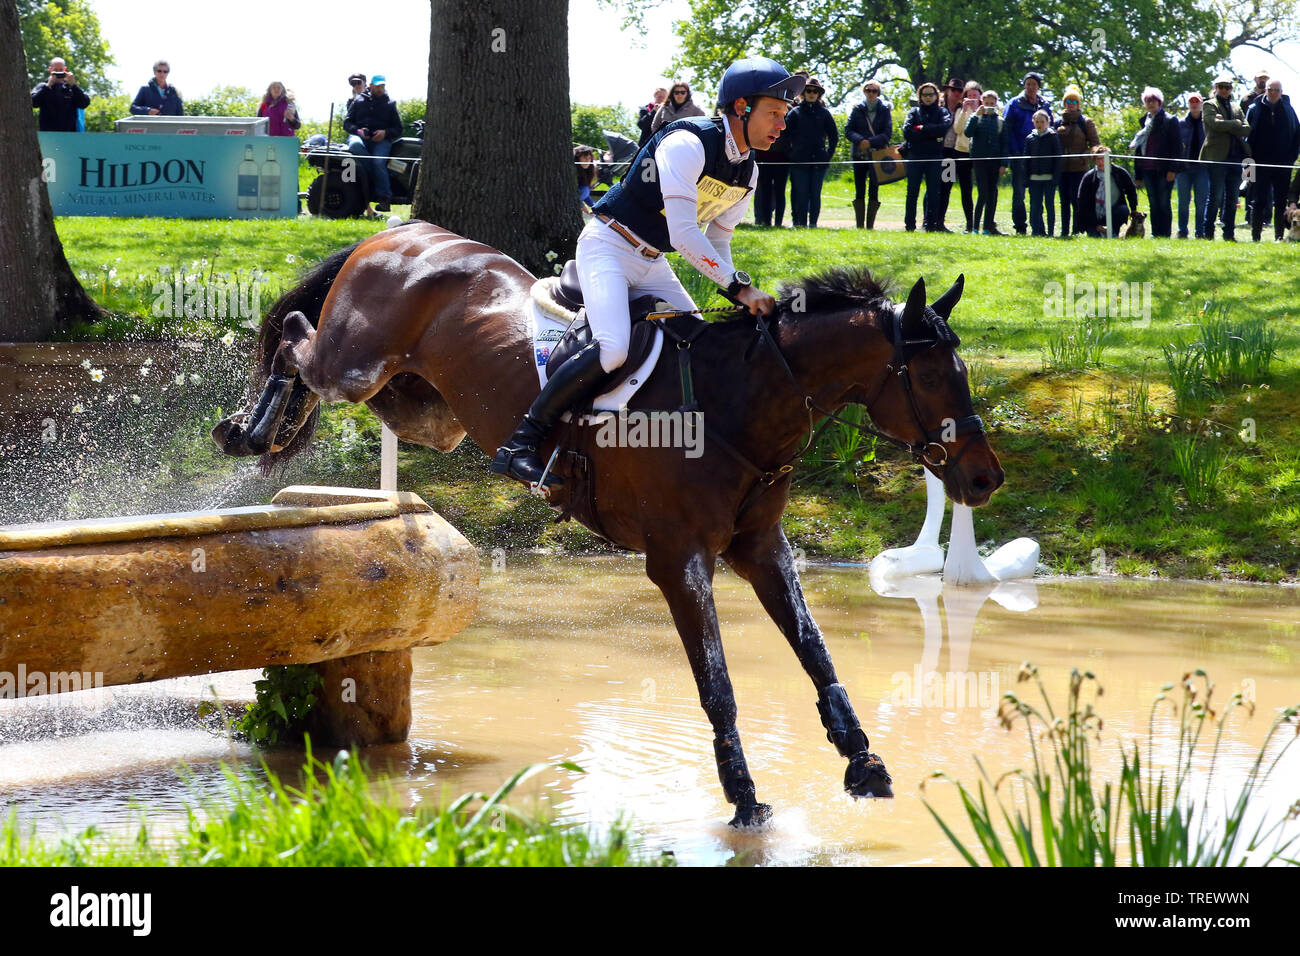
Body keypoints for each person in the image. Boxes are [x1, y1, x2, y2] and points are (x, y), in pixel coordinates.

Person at [491, 57, 803, 489]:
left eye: (785, 116)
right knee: (614, 348)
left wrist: (740, 285)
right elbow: (684, 232)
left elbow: (717, 242)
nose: (782, 125)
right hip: (607, 247)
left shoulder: (747, 169)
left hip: (652, 259)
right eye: (775, 113)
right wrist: (739, 289)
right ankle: (520, 445)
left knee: (702, 344)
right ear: (741, 107)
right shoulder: (687, 144)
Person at [1245, 79, 1300, 241]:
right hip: (1259, 163)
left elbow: (1297, 135)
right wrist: (1248, 164)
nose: (1273, 92)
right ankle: (1255, 237)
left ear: (1281, 92)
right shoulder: (1254, 109)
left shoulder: (1289, 110)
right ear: (1265, 90)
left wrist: (1291, 158)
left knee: (1280, 201)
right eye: (1270, 89)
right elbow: (1246, 136)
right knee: (1258, 200)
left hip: (1283, 164)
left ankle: (1279, 236)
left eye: (1277, 89)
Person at [1202, 75, 1251, 241]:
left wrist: (1227, 124)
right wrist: (1235, 124)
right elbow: (1214, 125)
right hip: (1216, 157)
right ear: (1215, 87)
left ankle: (1229, 234)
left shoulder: (1236, 106)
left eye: (1227, 87)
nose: (1224, 90)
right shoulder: (1209, 104)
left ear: (1231, 89)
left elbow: (1246, 129)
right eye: (1221, 86)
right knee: (1215, 196)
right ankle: (1207, 233)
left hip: (1235, 158)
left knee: (1232, 199)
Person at [344, 74, 403, 214]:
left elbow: (398, 129)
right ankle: (372, 179)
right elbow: (347, 123)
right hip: (360, 138)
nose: (380, 89)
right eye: (377, 86)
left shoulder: (390, 104)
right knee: (354, 146)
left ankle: (384, 197)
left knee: (378, 162)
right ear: (370, 86)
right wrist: (358, 131)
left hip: (381, 140)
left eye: (382, 86)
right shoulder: (358, 101)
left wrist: (385, 133)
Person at [1004, 72, 1052, 234]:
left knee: (1037, 193)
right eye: (1028, 83)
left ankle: (1038, 227)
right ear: (1024, 85)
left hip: (1039, 157)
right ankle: (1020, 226)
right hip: (1019, 154)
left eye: (1034, 84)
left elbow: (1050, 129)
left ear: (1038, 86)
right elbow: (1007, 130)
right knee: (1019, 192)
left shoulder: (1044, 105)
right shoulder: (1014, 104)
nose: (1031, 87)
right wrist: (1015, 151)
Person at [786, 77, 838, 227]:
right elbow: (784, 135)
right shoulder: (795, 113)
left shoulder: (824, 113)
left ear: (818, 94)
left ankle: (813, 224)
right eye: (808, 90)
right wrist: (790, 153)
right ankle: (800, 224)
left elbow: (834, 136)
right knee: (801, 194)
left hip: (819, 160)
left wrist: (828, 154)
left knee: (815, 194)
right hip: (799, 161)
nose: (811, 93)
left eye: (815, 91)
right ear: (803, 93)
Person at [1131, 87, 1183, 238]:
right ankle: (1155, 234)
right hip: (1147, 169)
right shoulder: (1144, 122)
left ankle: (1165, 234)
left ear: (1159, 102)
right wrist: (1138, 174)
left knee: (1163, 202)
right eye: (1147, 100)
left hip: (1164, 169)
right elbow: (1139, 149)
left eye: (1153, 100)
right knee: (1153, 203)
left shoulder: (1170, 120)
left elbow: (1177, 147)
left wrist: (1172, 169)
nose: (1150, 103)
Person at [903, 82, 951, 231]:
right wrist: (930, 134)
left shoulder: (942, 112)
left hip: (935, 157)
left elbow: (943, 128)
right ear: (920, 97)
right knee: (912, 192)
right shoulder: (914, 112)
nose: (928, 97)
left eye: (931, 94)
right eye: (925, 95)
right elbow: (907, 132)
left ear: (936, 96)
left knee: (933, 192)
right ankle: (909, 225)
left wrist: (922, 128)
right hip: (915, 156)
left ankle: (931, 225)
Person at [845, 79, 892, 228]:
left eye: (874, 91)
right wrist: (860, 141)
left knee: (874, 189)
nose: (871, 93)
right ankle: (859, 225)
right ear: (864, 92)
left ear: (878, 93)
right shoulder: (857, 109)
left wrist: (870, 142)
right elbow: (848, 130)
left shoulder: (884, 110)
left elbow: (887, 133)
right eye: (868, 90)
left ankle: (870, 225)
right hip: (859, 154)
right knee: (859, 188)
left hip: (877, 154)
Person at [1052, 85, 1099, 236]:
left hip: (1079, 168)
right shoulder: (1057, 122)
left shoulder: (1086, 122)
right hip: (1062, 168)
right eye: (1068, 101)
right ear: (1064, 103)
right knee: (1063, 201)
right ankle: (1064, 231)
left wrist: (1085, 156)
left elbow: (1095, 144)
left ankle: (1077, 230)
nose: (1070, 104)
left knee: (1076, 200)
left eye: (1074, 101)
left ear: (1078, 104)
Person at [930, 77, 971, 231]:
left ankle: (944, 222)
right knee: (936, 188)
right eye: (953, 90)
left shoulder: (964, 108)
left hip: (955, 152)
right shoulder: (938, 107)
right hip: (938, 151)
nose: (956, 93)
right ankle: (932, 221)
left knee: (954, 188)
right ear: (947, 90)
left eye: (960, 91)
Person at [966, 90, 1009, 234]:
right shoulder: (976, 117)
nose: (989, 105)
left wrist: (1004, 163)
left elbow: (1004, 144)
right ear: (982, 102)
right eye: (986, 103)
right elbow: (968, 133)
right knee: (982, 193)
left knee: (992, 194)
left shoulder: (1000, 121)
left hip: (995, 162)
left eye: (992, 103)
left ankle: (987, 227)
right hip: (979, 161)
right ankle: (975, 227)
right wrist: (976, 115)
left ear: (996, 104)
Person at [1076, 146, 1139, 236]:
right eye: (1098, 159)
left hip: (1114, 212)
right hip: (1094, 216)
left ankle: (1113, 229)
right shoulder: (1089, 177)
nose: (1100, 162)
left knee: (1123, 210)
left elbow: (1131, 191)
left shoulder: (1120, 173)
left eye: (1103, 159)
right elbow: (1082, 202)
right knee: (1095, 237)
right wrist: (1096, 225)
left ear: (1110, 159)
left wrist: (1133, 210)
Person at [1176, 92, 1209, 238]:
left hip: (1202, 169)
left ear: (1201, 103)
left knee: (1201, 203)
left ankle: (1200, 232)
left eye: (1197, 101)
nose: (1194, 104)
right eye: (1191, 101)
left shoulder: (1207, 123)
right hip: (1184, 169)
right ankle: (1182, 231)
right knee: (1183, 202)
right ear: (1188, 104)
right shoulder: (1180, 123)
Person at [1024, 110, 1062, 236]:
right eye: (1037, 121)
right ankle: (1036, 231)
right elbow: (1026, 160)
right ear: (1033, 122)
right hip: (1034, 179)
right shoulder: (1030, 138)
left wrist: (1056, 177)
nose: (1039, 124)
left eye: (1042, 121)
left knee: (1049, 205)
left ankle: (1051, 232)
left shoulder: (1053, 137)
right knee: (1035, 206)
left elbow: (1057, 158)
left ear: (1048, 122)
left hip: (1049, 178)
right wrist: (1026, 178)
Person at [30, 57, 90, 132]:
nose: (58, 73)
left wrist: (73, 85)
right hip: (48, 134)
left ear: (65, 70)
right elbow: (33, 103)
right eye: (55, 71)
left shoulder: (71, 88)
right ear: (50, 70)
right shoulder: (43, 86)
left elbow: (84, 103)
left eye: (61, 70)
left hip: (69, 135)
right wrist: (48, 86)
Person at [753, 120, 791, 226]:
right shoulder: (764, 117)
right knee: (766, 192)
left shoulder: (786, 118)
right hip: (764, 161)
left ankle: (778, 222)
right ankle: (766, 221)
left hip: (782, 161)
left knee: (780, 192)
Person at [574, 145, 598, 214]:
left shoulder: (587, 171)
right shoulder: (573, 171)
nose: (588, 160)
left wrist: (594, 206)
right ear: (577, 158)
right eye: (584, 157)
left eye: (589, 158)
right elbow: (574, 193)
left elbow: (585, 194)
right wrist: (582, 205)